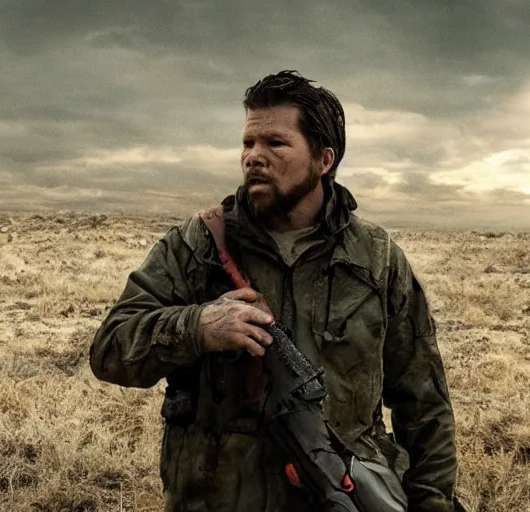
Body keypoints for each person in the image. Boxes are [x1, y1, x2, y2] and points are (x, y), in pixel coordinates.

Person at [89, 71, 459, 511]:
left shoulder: (376, 260)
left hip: (344, 497)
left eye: (275, 144)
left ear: (324, 160)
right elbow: (110, 350)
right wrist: (196, 326)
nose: (253, 157)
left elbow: (425, 403)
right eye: (248, 144)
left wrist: (432, 502)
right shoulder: (198, 246)